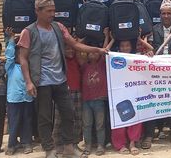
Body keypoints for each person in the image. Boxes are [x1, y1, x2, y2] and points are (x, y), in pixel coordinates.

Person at [17, 0, 107, 158]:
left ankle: (68, 147)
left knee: (69, 113)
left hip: (60, 80)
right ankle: (49, 150)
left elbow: (75, 44)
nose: (53, 14)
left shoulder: (59, 27)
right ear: (38, 11)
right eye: (49, 11)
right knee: (44, 117)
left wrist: (97, 50)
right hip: (42, 81)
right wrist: (29, 82)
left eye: (54, 10)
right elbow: (22, 58)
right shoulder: (28, 32)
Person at [142, 0, 171, 149]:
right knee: (153, 102)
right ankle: (149, 134)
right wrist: (148, 52)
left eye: (169, 13)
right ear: (160, 15)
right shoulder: (154, 30)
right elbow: (150, 48)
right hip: (156, 73)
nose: (166, 16)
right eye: (163, 14)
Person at [107, 38, 146, 155]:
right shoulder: (112, 57)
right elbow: (104, 50)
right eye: (122, 46)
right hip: (118, 94)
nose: (125, 48)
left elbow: (151, 50)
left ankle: (133, 143)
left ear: (131, 47)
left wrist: (139, 39)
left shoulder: (136, 58)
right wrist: (113, 39)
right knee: (118, 119)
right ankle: (120, 145)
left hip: (134, 92)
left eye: (127, 45)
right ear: (119, 48)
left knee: (135, 118)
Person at [4, 27, 34, 156]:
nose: (19, 55)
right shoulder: (10, 67)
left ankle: (27, 143)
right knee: (14, 122)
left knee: (27, 120)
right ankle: (12, 144)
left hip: (27, 98)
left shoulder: (29, 66)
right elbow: (9, 55)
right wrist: (11, 41)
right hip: (14, 99)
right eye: (17, 54)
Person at [81, 28, 111, 156]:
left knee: (100, 125)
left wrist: (108, 38)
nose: (93, 54)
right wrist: (81, 40)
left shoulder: (102, 64)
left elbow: (105, 51)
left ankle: (100, 145)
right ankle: (87, 145)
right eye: (90, 52)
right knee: (87, 125)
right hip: (86, 100)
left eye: (95, 51)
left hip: (99, 99)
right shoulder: (84, 65)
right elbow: (78, 52)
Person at [52, 44, 84, 155]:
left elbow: (81, 62)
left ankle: (74, 144)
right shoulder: (60, 60)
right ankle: (58, 144)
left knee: (77, 119)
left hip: (77, 92)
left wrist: (77, 46)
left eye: (72, 49)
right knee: (59, 119)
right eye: (67, 48)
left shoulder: (77, 58)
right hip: (63, 93)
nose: (70, 51)